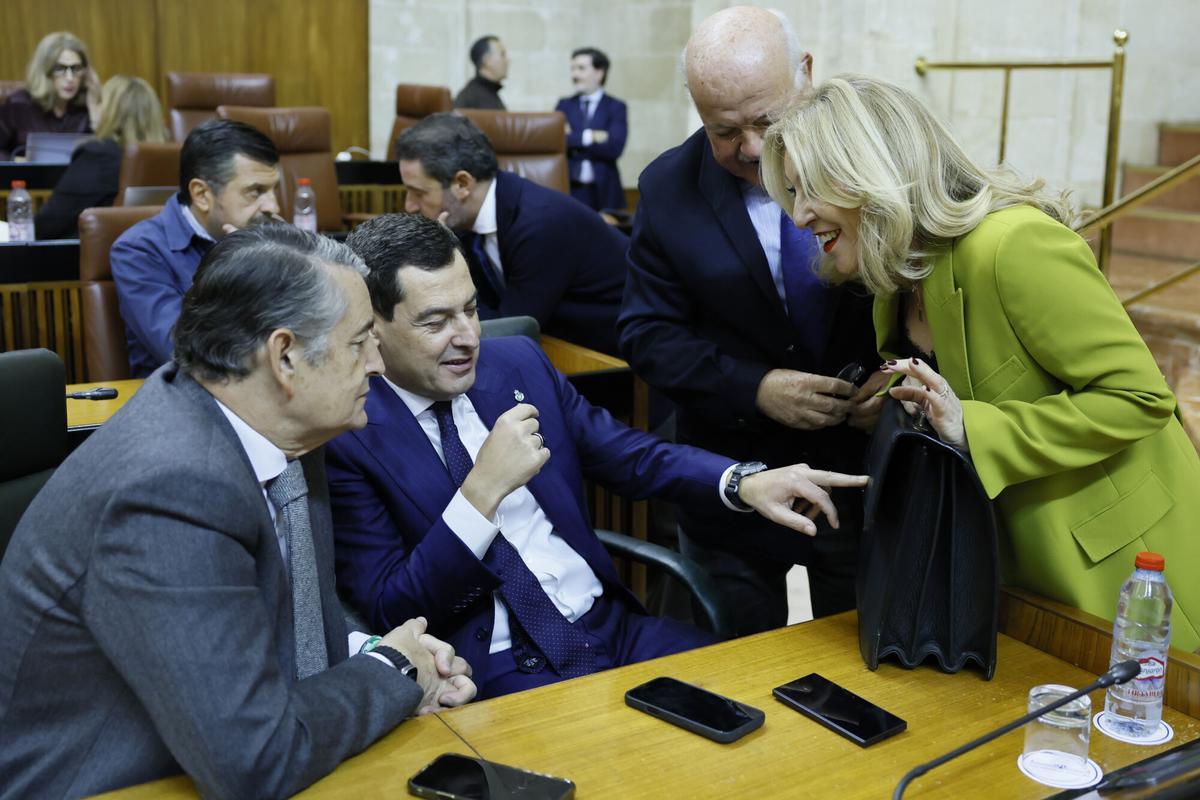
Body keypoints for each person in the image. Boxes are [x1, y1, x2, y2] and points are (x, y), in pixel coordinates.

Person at [0, 226, 476, 799]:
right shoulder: (169, 487)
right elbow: (254, 761)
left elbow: (291, 624)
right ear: (284, 357)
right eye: (359, 342)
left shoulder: (286, 433)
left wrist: (388, 653)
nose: (378, 362)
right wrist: (393, 675)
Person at [327, 213, 868, 699]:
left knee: (759, 707)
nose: (468, 336)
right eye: (436, 321)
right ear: (375, 327)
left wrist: (740, 482)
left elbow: (629, 453)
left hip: (614, 630)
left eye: (470, 309)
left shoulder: (515, 364)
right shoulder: (348, 431)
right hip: (492, 670)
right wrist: (480, 493)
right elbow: (391, 608)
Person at [761, 74, 1200, 653]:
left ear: (869, 171)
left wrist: (971, 426)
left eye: (808, 188)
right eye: (791, 194)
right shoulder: (899, 277)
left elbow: (1139, 398)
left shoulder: (1014, 245)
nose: (798, 216)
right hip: (1006, 564)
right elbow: (980, 370)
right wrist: (898, 392)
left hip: (1120, 567)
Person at [617, 6, 881, 635]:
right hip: (735, 481)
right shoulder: (667, 189)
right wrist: (754, 388)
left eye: (767, 120)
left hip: (863, 474)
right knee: (734, 678)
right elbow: (646, 335)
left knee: (867, 667)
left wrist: (893, 382)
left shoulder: (875, 164)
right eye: (724, 131)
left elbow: (922, 296)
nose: (752, 149)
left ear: (807, 73)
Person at [396, 112, 626, 355]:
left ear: (462, 184)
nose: (409, 205)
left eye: (418, 193)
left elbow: (508, 329)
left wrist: (441, 257)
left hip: (608, 359)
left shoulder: (540, 225)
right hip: (553, 346)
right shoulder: (466, 221)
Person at [110, 118, 281, 378]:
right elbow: (185, 351)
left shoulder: (275, 234)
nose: (273, 206)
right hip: (181, 402)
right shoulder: (138, 251)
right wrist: (247, 267)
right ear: (201, 194)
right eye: (255, 191)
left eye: (273, 190)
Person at [34, 75, 168, 240]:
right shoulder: (168, 156)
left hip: (88, 257)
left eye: (99, 102)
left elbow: (47, 224)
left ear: (110, 112)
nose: (94, 108)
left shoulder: (98, 155)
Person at [0, 31, 100, 160]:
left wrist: (96, 116)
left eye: (76, 68)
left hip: (76, 179)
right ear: (44, 71)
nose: (70, 78)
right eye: (59, 68)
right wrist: (18, 162)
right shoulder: (18, 104)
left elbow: (107, 159)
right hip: (31, 178)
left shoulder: (87, 107)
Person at [554, 47, 628, 212]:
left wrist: (574, 140)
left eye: (581, 68)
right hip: (570, 189)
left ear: (599, 73)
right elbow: (557, 142)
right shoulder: (564, 105)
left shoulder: (616, 107)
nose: (575, 75)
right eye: (573, 69)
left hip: (604, 192)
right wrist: (590, 136)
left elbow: (615, 148)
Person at [454, 35, 508, 110]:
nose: (507, 61)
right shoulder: (469, 98)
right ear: (486, 60)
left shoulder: (490, 94)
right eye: (502, 55)